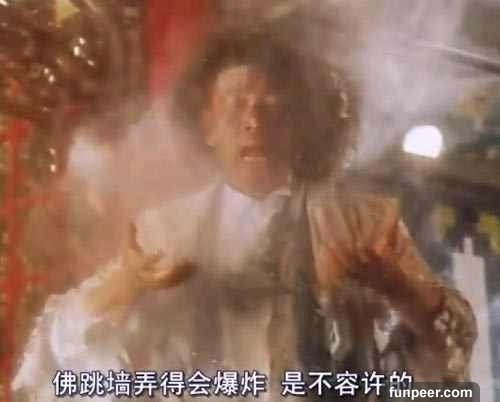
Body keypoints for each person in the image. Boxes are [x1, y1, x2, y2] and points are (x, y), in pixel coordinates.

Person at [12, 31, 477, 401]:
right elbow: (63, 358)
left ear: (300, 125)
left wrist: (403, 292)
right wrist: (124, 286)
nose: (255, 121)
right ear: (208, 126)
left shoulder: (365, 224)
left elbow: (445, 364)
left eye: (273, 106)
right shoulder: (167, 229)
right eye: (236, 105)